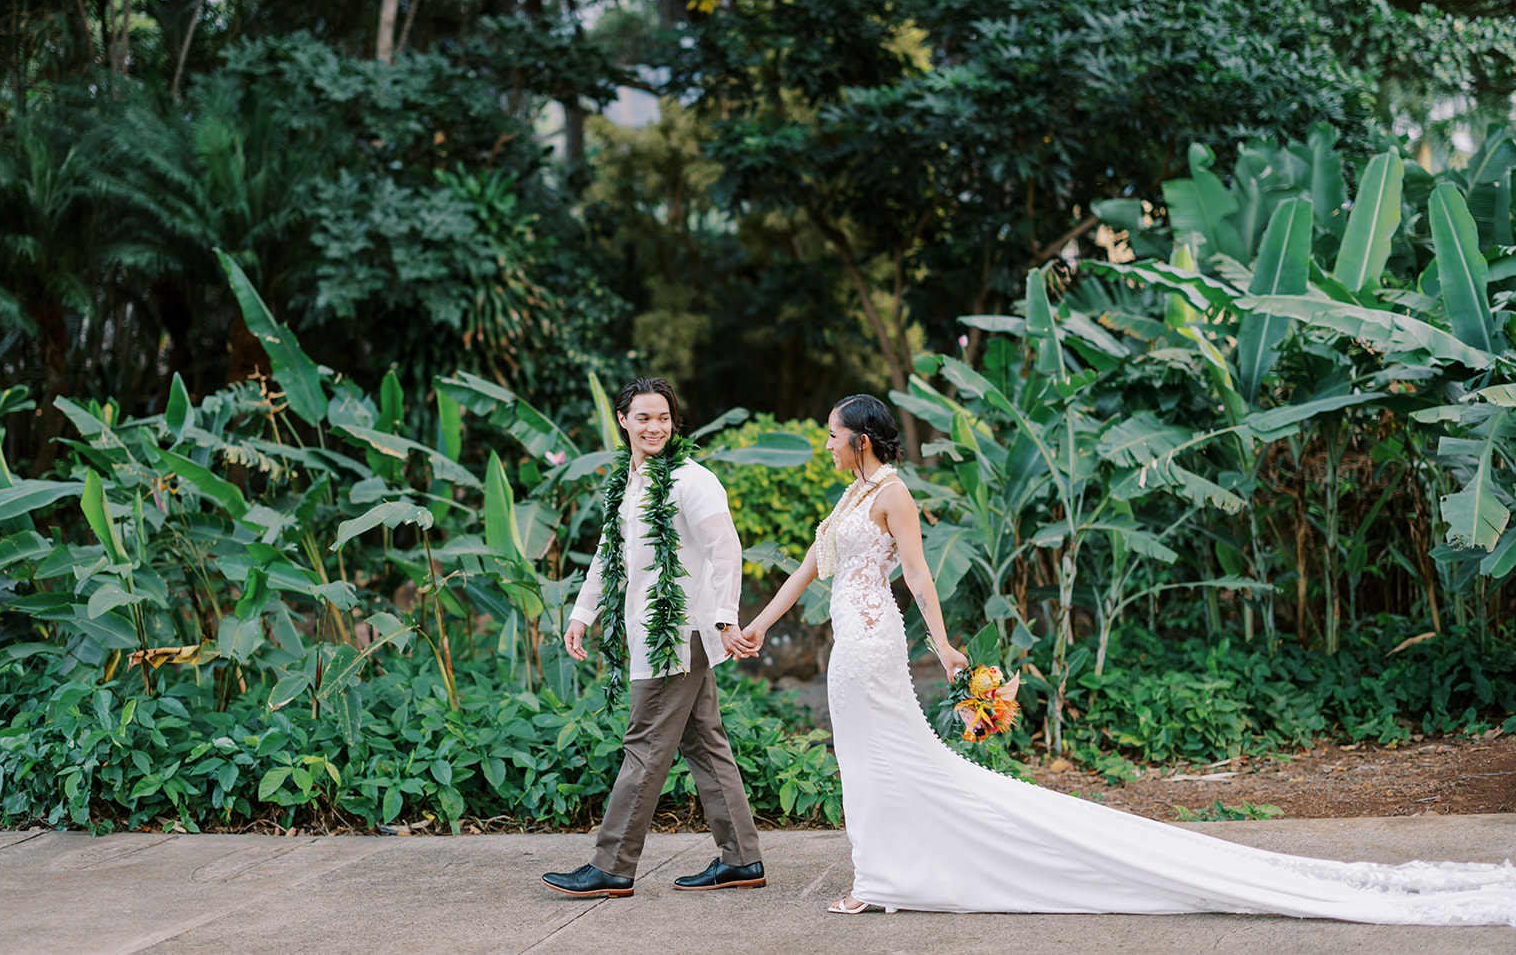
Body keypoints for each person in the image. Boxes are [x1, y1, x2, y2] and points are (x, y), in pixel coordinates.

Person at [738, 392, 1516, 924]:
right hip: (849, 644)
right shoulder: (845, 497)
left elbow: (917, 574)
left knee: (886, 760)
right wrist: (754, 625)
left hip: (873, 646)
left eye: (835, 432)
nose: (828, 440)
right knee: (868, 764)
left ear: (862, 438)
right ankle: (886, 870)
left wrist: (942, 645)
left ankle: (878, 879)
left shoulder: (893, 493)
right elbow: (808, 569)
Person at [541, 377, 765, 899]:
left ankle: (612, 865)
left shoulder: (692, 479)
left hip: (678, 631)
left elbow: (725, 549)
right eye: (643, 417)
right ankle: (743, 860)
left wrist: (726, 618)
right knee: (704, 743)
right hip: (654, 631)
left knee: (643, 745)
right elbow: (608, 552)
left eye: (663, 417)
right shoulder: (629, 481)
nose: (655, 427)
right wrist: (583, 613)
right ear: (623, 420)